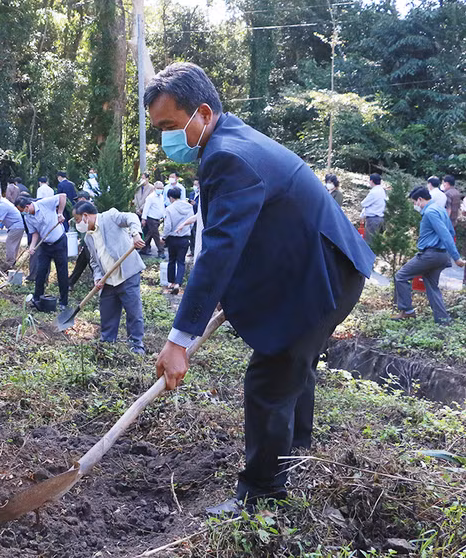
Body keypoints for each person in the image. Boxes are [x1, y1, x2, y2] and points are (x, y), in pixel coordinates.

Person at [145, 62, 375, 516]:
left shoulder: (228, 156)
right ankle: (297, 454)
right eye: (159, 130)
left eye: (171, 126)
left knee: (270, 377)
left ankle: (262, 492)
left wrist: (178, 340)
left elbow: (219, 250)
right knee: (292, 362)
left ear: (203, 114)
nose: (167, 139)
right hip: (321, 268)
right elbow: (252, 232)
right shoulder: (232, 139)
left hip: (323, 276)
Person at [73, 201, 146, 354]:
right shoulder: (88, 238)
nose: (78, 224)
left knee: (133, 312)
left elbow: (131, 217)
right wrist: (98, 277)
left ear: (86, 216)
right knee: (107, 313)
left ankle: (136, 345)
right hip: (107, 280)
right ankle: (107, 344)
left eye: (78, 220)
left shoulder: (110, 217)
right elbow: (94, 260)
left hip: (127, 274)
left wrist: (136, 234)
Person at [392, 186, 465, 325]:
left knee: (401, 276)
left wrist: (456, 258)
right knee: (432, 286)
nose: (415, 205)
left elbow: (445, 235)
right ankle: (443, 321)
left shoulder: (430, 212)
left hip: (431, 255)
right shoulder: (440, 209)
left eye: (414, 202)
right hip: (441, 255)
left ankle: (407, 311)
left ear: (420, 199)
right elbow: (451, 232)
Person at [16, 194, 69, 309]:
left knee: (62, 272)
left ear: (28, 206)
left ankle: (63, 302)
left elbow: (62, 196)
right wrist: (32, 246)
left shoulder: (45, 203)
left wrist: (60, 213)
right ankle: (37, 299)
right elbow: (35, 233)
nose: (23, 213)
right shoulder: (27, 217)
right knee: (40, 272)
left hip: (59, 242)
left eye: (23, 210)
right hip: (45, 245)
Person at [160, 186, 195, 293]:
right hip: (185, 238)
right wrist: (186, 231)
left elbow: (168, 226)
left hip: (172, 238)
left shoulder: (169, 209)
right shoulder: (189, 207)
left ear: (170, 197)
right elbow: (192, 222)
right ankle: (178, 284)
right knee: (181, 262)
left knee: (171, 260)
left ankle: (170, 282)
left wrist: (164, 237)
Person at [68, 191, 93, 289]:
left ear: (82, 199)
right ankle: (70, 282)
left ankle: (102, 283)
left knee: (92, 263)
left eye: (78, 200)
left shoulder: (91, 211)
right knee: (81, 261)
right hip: (87, 242)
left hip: (93, 243)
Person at [140, 181, 167, 258]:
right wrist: (143, 219)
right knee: (156, 236)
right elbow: (146, 208)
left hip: (158, 219)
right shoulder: (150, 197)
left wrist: (164, 215)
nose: (160, 189)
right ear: (154, 188)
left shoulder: (161, 197)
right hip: (151, 219)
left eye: (161, 188)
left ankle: (143, 248)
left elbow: (162, 207)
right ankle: (161, 251)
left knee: (149, 234)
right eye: (158, 188)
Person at [360, 173, 387, 245]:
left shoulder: (374, 192)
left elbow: (364, 203)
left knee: (369, 241)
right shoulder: (382, 190)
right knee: (377, 241)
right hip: (381, 217)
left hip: (373, 219)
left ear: (371, 181)